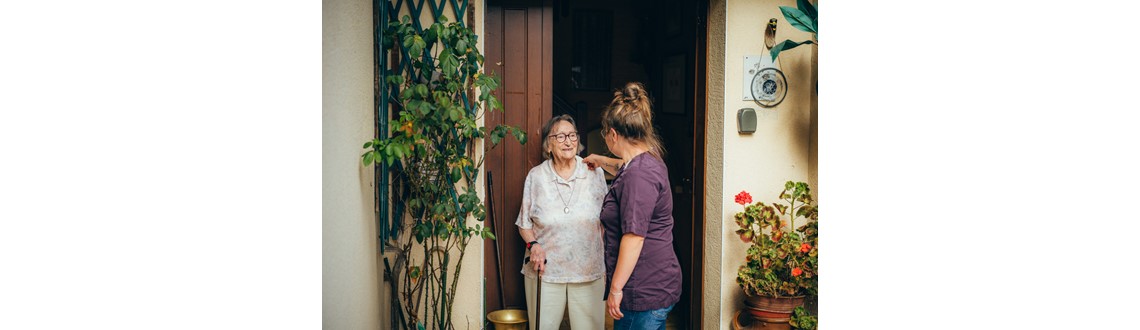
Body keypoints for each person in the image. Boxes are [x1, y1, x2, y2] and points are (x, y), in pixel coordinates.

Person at [583, 82, 681, 329]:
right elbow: (623, 167)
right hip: (656, 282)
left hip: (643, 289)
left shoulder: (639, 175)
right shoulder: (646, 160)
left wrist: (615, 289)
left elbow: (634, 237)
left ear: (613, 134)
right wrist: (600, 160)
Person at [516, 114, 609, 330]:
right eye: (560, 136)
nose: (568, 141)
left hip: (588, 270)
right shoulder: (536, 177)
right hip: (546, 272)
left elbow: (606, 220)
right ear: (549, 145)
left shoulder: (594, 173)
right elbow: (524, 223)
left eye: (572, 135)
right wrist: (534, 245)